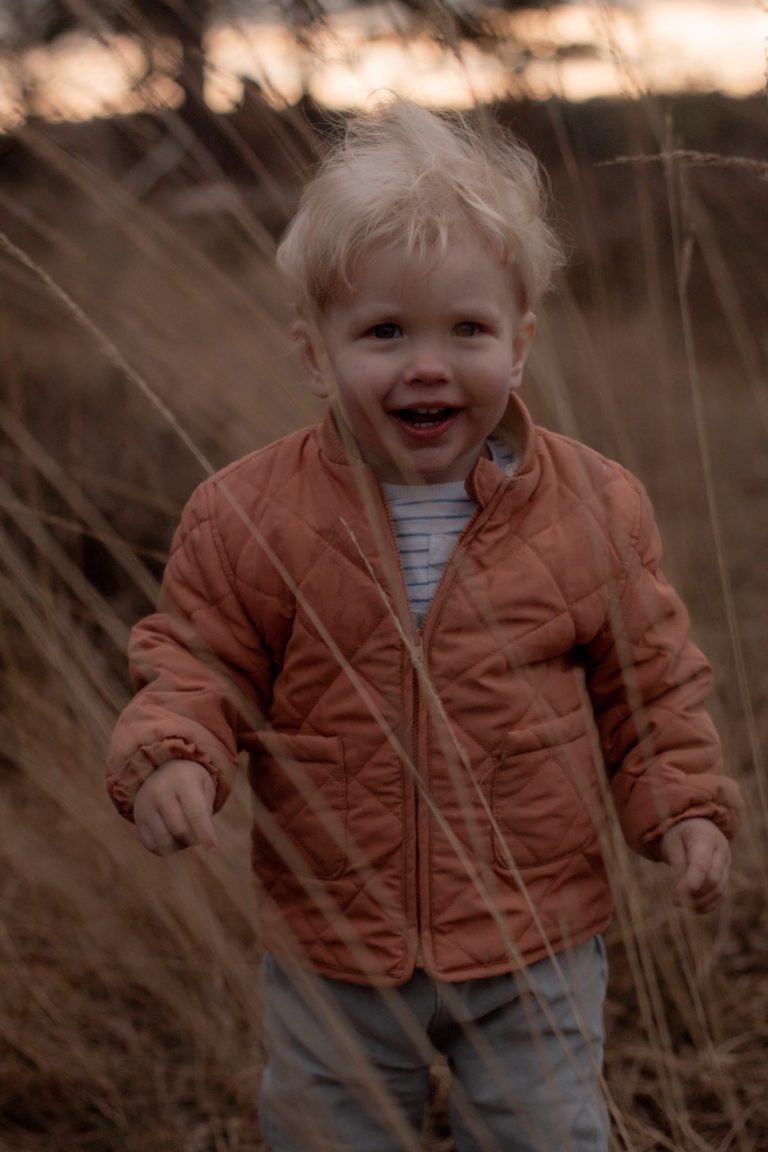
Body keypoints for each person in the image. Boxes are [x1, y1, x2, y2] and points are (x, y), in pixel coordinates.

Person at [107, 100, 743, 1152]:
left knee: (545, 1135)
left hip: (532, 938)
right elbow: (195, 659)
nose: (428, 365)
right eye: (385, 332)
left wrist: (685, 808)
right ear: (317, 353)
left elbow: (651, 685)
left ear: (521, 343)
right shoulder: (249, 515)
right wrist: (174, 751)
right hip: (333, 948)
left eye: (468, 330)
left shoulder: (592, 506)